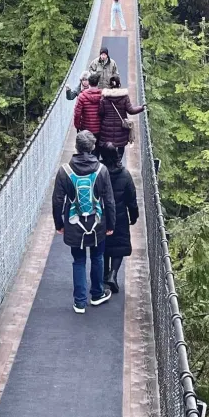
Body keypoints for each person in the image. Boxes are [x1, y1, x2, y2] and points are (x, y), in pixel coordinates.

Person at [52, 130, 116, 313]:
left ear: (76, 147)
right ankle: (96, 294)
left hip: (74, 225)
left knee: (78, 261)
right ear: (93, 147)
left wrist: (59, 224)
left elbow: (57, 200)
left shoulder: (65, 171)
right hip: (97, 223)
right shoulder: (102, 170)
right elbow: (109, 200)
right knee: (97, 257)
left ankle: (80, 302)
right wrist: (111, 224)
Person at [101, 142, 138, 293]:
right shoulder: (125, 174)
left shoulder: (99, 172)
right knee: (119, 245)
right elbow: (131, 197)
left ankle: (104, 274)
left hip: (102, 215)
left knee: (104, 246)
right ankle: (113, 274)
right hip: (120, 215)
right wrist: (134, 215)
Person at [99, 75, 145, 158]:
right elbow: (131, 111)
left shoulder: (104, 98)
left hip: (106, 128)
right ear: (119, 84)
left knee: (106, 147)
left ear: (110, 85)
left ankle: (107, 164)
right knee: (120, 147)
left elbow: (101, 112)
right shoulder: (124, 97)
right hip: (121, 128)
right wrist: (141, 108)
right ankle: (118, 163)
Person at [74, 73, 102, 156]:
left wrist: (77, 126)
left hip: (86, 128)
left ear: (89, 83)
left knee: (85, 150)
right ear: (98, 83)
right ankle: (95, 165)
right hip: (99, 129)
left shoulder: (82, 96)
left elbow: (77, 113)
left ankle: (85, 166)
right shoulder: (103, 96)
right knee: (96, 150)